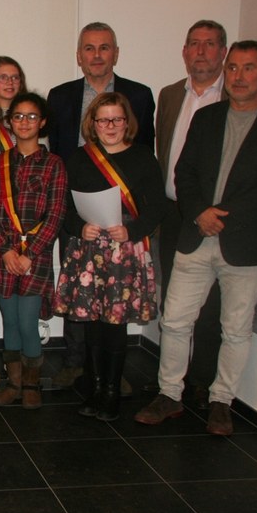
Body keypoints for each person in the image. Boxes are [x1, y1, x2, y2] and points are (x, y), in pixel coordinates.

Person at [135, 41, 257, 436]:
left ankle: (221, 401)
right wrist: (199, 212)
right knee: (175, 320)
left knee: (235, 328)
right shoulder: (208, 118)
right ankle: (169, 394)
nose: (239, 76)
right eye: (233, 69)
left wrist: (222, 218)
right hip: (196, 235)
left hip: (245, 243)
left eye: (249, 68)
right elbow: (185, 172)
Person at [47, 22, 155, 390]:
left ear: (116, 53)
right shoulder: (60, 96)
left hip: (122, 224)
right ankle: (77, 365)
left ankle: (112, 374)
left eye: (104, 47)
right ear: (79, 56)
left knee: (115, 302)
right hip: (79, 215)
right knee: (81, 293)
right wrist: (72, 220)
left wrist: (135, 223)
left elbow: (145, 161)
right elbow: (57, 156)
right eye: (89, 48)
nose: (96, 55)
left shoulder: (138, 95)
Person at [54, 92, 166, 421]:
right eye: (103, 120)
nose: (111, 126)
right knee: (91, 324)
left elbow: (157, 206)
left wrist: (132, 231)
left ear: (127, 122)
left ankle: (113, 392)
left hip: (124, 252)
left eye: (117, 119)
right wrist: (79, 226)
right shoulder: (79, 158)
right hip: (88, 251)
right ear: (93, 124)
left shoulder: (143, 157)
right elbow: (64, 205)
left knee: (114, 325)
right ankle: (95, 387)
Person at [150, 20, 228, 409]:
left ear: (223, 52)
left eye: (210, 44)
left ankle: (201, 382)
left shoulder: (235, 98)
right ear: (184, 51)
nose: (201, 51)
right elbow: (165, 152)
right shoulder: (168, 96)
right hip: (174, 214)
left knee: (211, 309)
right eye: (194, 44)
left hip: (216, 216)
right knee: (174, 304)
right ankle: (170, 387)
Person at [0, 93, 67, 410]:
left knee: (27, 320)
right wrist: (6, 251)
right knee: (9, 322)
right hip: (3, 256)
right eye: (18, 116)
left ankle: (32, 383)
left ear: (42, 122)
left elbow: (56, 214)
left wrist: (29, 253)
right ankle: (14, 383)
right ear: (10, 121)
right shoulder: (0, 163)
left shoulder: (54, 164)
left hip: (37, 257)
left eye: (31, 116)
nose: (24, 122)